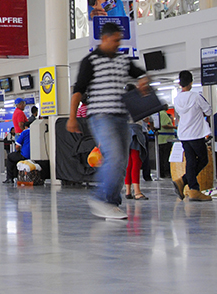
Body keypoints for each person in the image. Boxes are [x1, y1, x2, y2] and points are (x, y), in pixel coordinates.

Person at [67, 22, 148, 220]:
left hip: (121, 117)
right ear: (104, 39)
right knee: (114, 157)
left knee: (122, 160)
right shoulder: (91, 61)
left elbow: (139, 73)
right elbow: (78, 90)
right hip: (101, 116)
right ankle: (101, 198)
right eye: (115, 40)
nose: (118, 44)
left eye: (119, 41)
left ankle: (111, 202)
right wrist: (72, 117)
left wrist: (144, 80)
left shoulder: (122, 60)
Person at [172, 70, 213, 202]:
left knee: (191, 160)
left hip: (183, 134)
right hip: (196, 133)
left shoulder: (177, 99)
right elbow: (209, 111)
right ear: (191, 82)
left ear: (180, 83)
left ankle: (188, 185)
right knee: (203, 159)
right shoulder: (196, 97)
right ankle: (189, 185)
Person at [125, 122, 148, 200]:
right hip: (135, 131)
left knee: (129, 163)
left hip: (124, 131)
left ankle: (128, 191)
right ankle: (137, 192)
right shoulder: (137, 110)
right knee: (136, 162)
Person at [156, 110, 175, 178]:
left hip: (161, 139)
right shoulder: (163, 113)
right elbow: (164, 125)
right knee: (166, 157)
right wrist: (174, 127)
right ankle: (166, 172)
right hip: (165, 139)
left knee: (161, 157)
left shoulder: (158, 113)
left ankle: (162, 173)